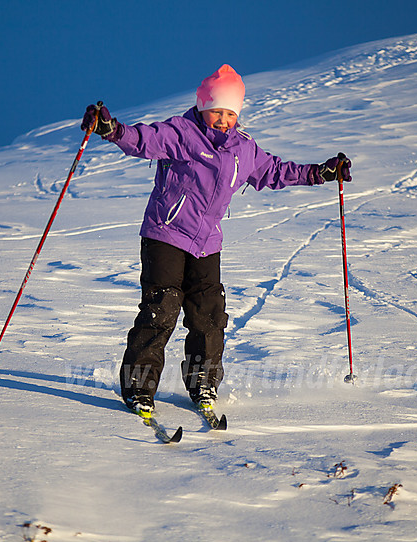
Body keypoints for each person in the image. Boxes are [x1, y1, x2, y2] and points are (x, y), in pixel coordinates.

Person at [81, 64, 351, 416]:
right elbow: (144, 140)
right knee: (161, 308)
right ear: (202, 107)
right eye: (216, 112)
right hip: (166, 233)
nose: (222, 119)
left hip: (207, 242)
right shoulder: (182, 132)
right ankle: (138, 387)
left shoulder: (244, 148)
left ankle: (203, 384)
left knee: (208, 314)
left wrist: (320, 173)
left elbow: (276, 171)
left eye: (229, 113)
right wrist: (111, 130)